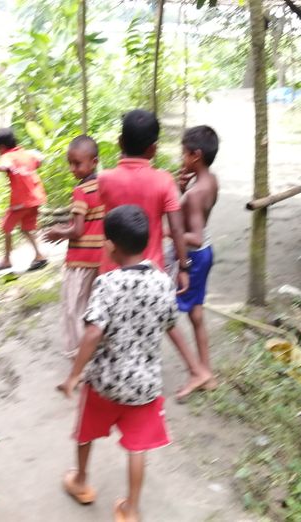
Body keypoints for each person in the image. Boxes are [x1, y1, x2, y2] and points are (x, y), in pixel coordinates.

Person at [58, 205, 178, 522]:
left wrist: (73, 375)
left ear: (110, 245)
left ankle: (81, 481)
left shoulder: (107, 283)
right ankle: (131, 509)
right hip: (145, 386)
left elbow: (93, 332)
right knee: (137, 447)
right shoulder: (163, 281)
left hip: (105, 381)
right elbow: (170, 322)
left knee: (86, 432)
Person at [96, 109, 211, 398]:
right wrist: (183, 266)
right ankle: (195, 369)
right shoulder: (163, 181)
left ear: (120, 142)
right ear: (153, 149)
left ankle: (109, 375)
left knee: (105, 319)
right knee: (165, 319)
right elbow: (176, 226)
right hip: (152, 270)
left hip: (112, 267)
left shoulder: (105, 179)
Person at [166, 126, 221, 400]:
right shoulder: (211, 181)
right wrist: (180, 190)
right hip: (205, 253)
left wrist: (166, 232)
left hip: (193, 255)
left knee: (164, 311)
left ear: (196, 155)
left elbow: (195, 237)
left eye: (184, 153)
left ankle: (197, 372)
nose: (181, 158)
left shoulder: (196, 192)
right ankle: (206, 373)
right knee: (196, 314)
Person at [43, 135, 104, 358]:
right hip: (101, 259)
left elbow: (77, 231)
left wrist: (59, 233)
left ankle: (79, 354)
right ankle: (99, 347)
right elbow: (91, 221)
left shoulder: (81, 191)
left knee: (74, 309)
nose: (72, 169)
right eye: (70, 163)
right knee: (96, 306)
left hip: (80, 261)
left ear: (94, 162)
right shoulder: (104, 185)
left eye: (77, 163)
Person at [0, 127, 49, 271]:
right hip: (36, 197)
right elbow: (39, 161)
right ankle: (39, 255)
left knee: (6, 227)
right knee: (26, 228)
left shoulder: (7, 156)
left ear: (1, 146)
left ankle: (7, 260)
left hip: (22, 201)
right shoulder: (25, 154)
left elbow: (6, 167)